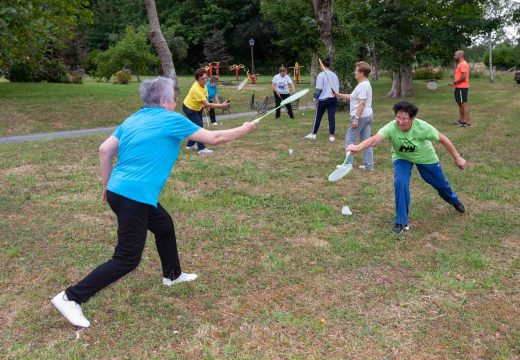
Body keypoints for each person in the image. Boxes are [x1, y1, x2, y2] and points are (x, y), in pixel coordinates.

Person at [51, 77, 257, 328]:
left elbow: (105, 150)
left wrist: (107, 186)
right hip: (133, 195)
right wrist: (243, 130)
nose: (175, 101)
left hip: (121, 191)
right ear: (163, 101)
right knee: (127, 259)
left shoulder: (134, 118)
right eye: (172, 97)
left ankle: (172, 274)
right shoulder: (171, 119)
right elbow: (213, 139)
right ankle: (70, 297)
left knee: (163, 226)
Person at [346, 101, 466, 234]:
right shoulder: (391, 127)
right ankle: (401, 222)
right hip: (401, 157)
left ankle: (454, 200)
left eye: (404, 118)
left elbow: (443, 139)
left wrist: (457, 158)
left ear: (412, 118)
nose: (400, 121)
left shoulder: (423, 127)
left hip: (425, 157)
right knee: (400, 183)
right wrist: (358, 147)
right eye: (398, 117)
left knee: (441, 184)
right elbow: (375, 139)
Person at [335, 61, 374, 170]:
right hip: (367, 116)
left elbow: (362, 103)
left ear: (361, 73)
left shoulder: (363, 86)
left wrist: (356, 118)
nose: (354, 72)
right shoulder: (365, 84)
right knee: (366, 141)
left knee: (349, 139)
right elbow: (353, 97)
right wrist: (338, 95)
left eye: (356, 70)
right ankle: (368, 165)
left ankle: (348, 164)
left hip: (360, 116)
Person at [183, 68, 230, 154]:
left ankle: (190, 145)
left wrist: (205, 105)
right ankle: (201, 149)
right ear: (197, 79)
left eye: (206, 78)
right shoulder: (196, 89)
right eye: (202, 79)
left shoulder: (204, 84)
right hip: (189, 108)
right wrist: (222, 105)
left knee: (196, 126)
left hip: (197, 107)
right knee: (199, 126)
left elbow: (205, 99)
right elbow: (208, 104)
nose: (205, 80)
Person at [304, 57, 340, 142]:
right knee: (332, 117)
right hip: (333, 99)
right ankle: (331, 136)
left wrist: (315, 99)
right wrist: (337, 97)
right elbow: (337, 87)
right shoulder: (334, 75)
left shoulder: (321, 75)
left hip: (323, 100)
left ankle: (313, 134)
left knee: (318, 117)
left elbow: (318, 89)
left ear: (322, 65)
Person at [451, 50, 471, 128]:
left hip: (462, 88)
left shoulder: (463, 64)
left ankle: (467, 122)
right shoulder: (460, 64)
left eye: (455, 55)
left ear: (460, 56)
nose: (454, 57)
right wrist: (454, 83)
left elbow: (463, 76)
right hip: (458, 87)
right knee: (460, 104)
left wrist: (455, 82)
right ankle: (462, 121)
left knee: (464, 105)